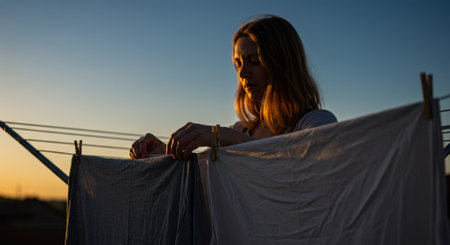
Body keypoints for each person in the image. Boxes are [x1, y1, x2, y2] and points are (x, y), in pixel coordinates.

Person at [130, 15, 337, 160]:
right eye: (237, 64)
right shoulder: (241, 129)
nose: (242, 73)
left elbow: (302, 168)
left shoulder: (316, 122)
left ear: (283, 65)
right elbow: (205, 176)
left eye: (254, 61)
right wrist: (165, 153)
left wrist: (220, 136)